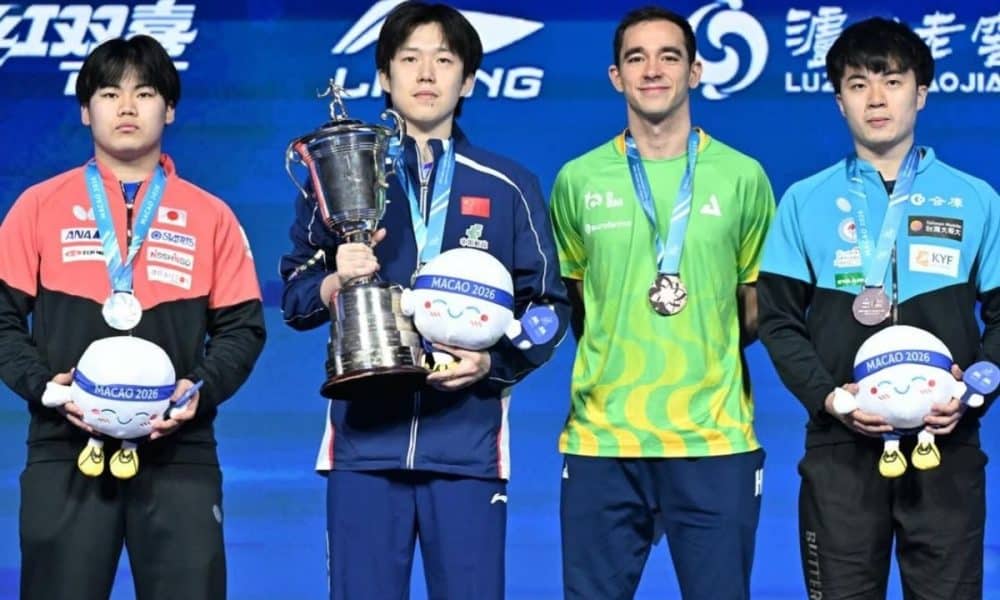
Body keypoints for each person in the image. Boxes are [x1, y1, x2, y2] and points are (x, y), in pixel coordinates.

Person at [279, 3, 569, 599]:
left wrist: (496, 364)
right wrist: (333, 279)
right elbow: (295, 294)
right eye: (409, 59)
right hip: (363, 443)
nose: (426, 73)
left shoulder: (508, 184)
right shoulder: (342, 175)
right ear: (385, 75)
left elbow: (548, 308)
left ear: (467, 80)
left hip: (466, 449)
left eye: (444, 59)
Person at [0, 35, 266, 600]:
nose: (126, 107)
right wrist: (45, 388)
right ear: (84, 109)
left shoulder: (210, 215)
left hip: (180, 455)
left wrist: (202, 390)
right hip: (63, 449)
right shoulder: (37, 207)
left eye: (144, 93)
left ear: (169, 108)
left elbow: (242, 328)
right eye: (108, 92)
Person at [757, 17, 1000, 600]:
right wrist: (830, 399)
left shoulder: (974, 199)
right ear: (839, 101)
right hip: (841, 450)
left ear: (920, 91)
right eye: (858, 83)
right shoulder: (804, 200)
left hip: (948, 444)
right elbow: (779, 320)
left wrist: (975, 393)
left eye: (891, 80)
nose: (876, 98)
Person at [548, 6, 775, 599]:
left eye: (669, 56)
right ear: (616, 76)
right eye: (636, 58)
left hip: (713, 439)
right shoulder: (577, 179)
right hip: (603, 439)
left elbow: (757, 302)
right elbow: (578, 299)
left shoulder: (743, 177)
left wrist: (704, 337)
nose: (653, 70)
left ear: (696, 72)